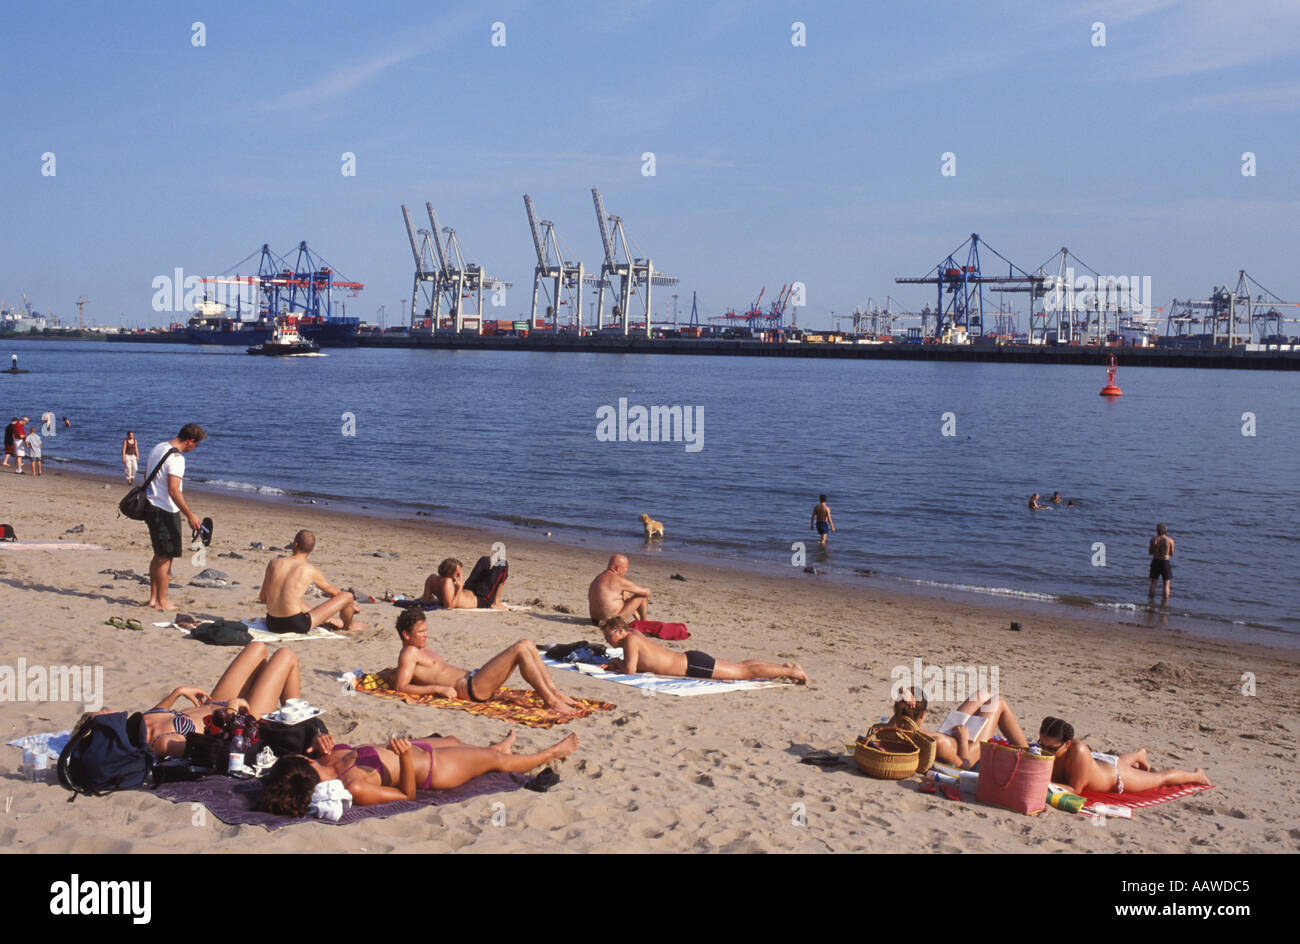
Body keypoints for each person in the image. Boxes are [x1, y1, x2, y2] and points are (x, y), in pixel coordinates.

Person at [255, 729, 579, 814]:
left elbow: (337, 748)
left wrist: (321, 739)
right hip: (431, 770)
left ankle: (495, 749)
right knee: (498, 761)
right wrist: (407, 759)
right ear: (305, 765)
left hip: (417, 750)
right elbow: (406, 796)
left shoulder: (325, 759)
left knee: (453, 739)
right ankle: (553, 752)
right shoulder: (353, 786)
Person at [382, 608, 582, 713]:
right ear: (406, 635)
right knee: (520, 648)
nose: (426, 635)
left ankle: (555, 693)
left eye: (426, 630)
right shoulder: (409, 653)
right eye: (420, 632)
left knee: (528, 644)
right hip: (470, 689)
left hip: (474, 680)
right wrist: (437, 689)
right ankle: (551, 700)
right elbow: (402, 686)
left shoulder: (419, 649)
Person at [127, 642, 301, 758]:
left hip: (215, 702)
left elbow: (158, 712)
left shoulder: (139, 722)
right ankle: (298, 728)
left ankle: (297, 723)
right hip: (243, 723)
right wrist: (232, 712)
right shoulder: (163, 743)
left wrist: (177, 692)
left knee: (257, 647)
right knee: (285, 655)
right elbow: (217, 749)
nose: (105, 712)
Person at [599, 617, 807, 683]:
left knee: (744, 672)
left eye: (609, 636)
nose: (608, 641)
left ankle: (791, 672)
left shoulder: (630, 641)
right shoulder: (634, 634)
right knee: (741, 667)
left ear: (620, 630)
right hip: (691, 661)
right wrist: (619, 663)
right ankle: (783, 667)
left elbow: (631, 671)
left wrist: (616, 666)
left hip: (693, 665)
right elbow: (639, 663)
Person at [1037, 716, 1210, 794]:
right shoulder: (1053, 747)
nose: (1045, 751)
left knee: (1160, 778)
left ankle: (1197, 775)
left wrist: (1045, 783)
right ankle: (1138, 755)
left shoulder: (1079, 751)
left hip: (1115, 777)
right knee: (1118, 760)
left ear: (1067, 744)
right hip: (1102, 763)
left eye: (1051, 748)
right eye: (1041, 744)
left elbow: (1076, 790)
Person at [143, 423, 206, 611]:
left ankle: (153, 598)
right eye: (196, 445)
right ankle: (162, 601)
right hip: (165, 510)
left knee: (159, 554)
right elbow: (173, 490)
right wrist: (190, 514)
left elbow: (147, 476)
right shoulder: (177, 459)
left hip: (150, 505)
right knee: (166, 557)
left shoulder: (158, 448)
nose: (195, 449)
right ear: (189, 441)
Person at [889, 687, 1028, 770]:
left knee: (982, 694)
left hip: (950, 736)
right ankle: (1028, 752)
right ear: (924, 714)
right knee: (997, 702)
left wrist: (903, 700)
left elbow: (897, 718)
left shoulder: (891, 731)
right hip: (967, 748)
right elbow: (964, 766)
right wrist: (962, 739)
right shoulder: (938, 743)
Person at [258, 529, 363, 633]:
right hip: (296, 625)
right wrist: (351, 605)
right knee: (347, 596)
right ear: (312, 549)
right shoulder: (310, 570)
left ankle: (329, 620)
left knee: (291, 599)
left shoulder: (274, 563)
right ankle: (349, 626)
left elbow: (263, 598)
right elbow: (334, 592)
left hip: (272, 624)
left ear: (294, 545)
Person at [422, 555, 507, 609]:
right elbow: (449, 607)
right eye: (458, 573)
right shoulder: (447, 582)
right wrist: (459, 588)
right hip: (482, 598)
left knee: (485, 560)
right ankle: (496, 602)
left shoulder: (431, 578)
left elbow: (425, 601)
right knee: (503, 564)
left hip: (469, 588)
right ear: (452, 573)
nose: (459, 576)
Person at [588, 554, 652, 625]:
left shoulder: (598, 578)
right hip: (611, 621)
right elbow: (645, 592)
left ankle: (639, 620)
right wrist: (648, 593)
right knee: (641, 596)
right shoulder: (619, 581)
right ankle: (645, 623)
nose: (625, 572)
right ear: (617, 568)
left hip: (595, 620)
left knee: (625, 593)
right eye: (625, 569)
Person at [1148, 523, 1174, 604]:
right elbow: (1172, 554)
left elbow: (1150, 552)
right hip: (1165, 562)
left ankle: (1150, 601)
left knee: (1153, 582)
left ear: (1157, 530)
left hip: (1155, 560)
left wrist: (1156, 547)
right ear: (1165, 530)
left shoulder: (1153, 539)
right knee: (1166, 584)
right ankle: (1165, 603)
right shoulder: (1170, 540)